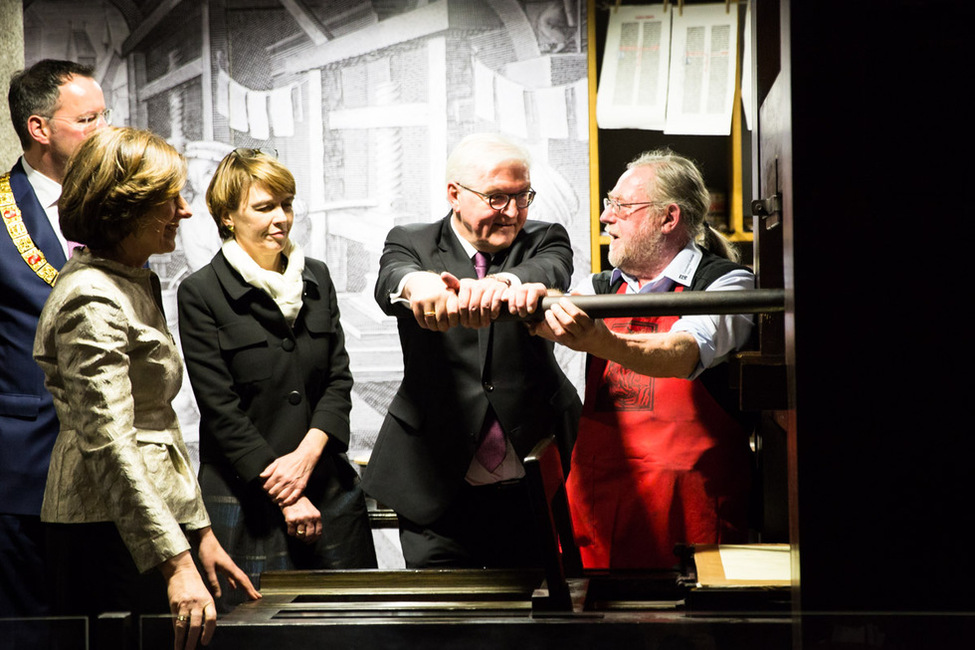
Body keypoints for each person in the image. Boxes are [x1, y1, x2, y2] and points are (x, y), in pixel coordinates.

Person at [32, 127, 259, 650]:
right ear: (125, 208)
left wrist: (198, 532)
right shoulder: (92, 297)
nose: (184, 211)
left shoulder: (130, 276)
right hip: (107, 529)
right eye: (169, 199)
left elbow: (159, 427)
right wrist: (174, 560)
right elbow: (110, 443)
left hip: (143, 524)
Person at [362, 132, 582, 569]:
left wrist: (505, 284)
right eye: (498, 198)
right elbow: (394, 278)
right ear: (454, 194)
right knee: (441, 626)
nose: (514, 213)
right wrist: (419, 285)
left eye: (524, 197)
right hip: (434, 485)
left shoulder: (544, 238)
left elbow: (550, 267)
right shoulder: (411, 240)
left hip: (534, 481)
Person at [530, 149, 756, 570]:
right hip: (599, 516)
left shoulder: (727, 283)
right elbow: (552, 312)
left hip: (690, 522)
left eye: (620, 206)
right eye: (607, 204)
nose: (605, 218)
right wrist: (521, 299)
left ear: (668, 218)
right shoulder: (597, 288)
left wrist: (601, 339)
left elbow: (684, 352)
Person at [176, 148, 377, 610]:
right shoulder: (202, 292)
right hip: (248, 501)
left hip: (328, 491)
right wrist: (286, 493)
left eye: (286, 204)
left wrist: (307, 457)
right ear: (227, 217)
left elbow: (338, 380)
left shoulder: (317, 277)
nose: (282, 218)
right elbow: (220, 409)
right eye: (265, 207)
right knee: (258, 636)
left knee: (353, 631)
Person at [1, 59, 108, 617]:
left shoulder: (117, 205)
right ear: (39, 129)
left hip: (114, 469)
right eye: (88, 120)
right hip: (27, 466)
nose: (104, 132)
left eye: (104, 117)